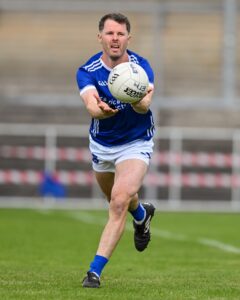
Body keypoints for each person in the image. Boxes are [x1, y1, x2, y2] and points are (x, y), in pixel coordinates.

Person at [76, 12, 156, 288]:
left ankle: (94, 272)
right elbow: (90, 105)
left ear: (128, 38)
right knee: (118, 198)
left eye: (120, 34)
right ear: (100, 37)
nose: (115, 39)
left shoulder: (141, 68)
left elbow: (145, 105)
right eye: (110, 33)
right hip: (102, 146)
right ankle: (142, 215)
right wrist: (101, 112)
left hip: (136, 142)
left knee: (119, 201)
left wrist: (135, 100)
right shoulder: (87, 71)